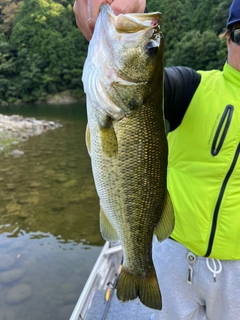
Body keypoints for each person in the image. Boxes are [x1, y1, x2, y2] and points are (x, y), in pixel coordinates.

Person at [73, 0, 240, 319]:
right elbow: (147, 84)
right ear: (227, 38)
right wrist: (127, 20)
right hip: (172, 252)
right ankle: (138, 267)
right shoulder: (194, 87)